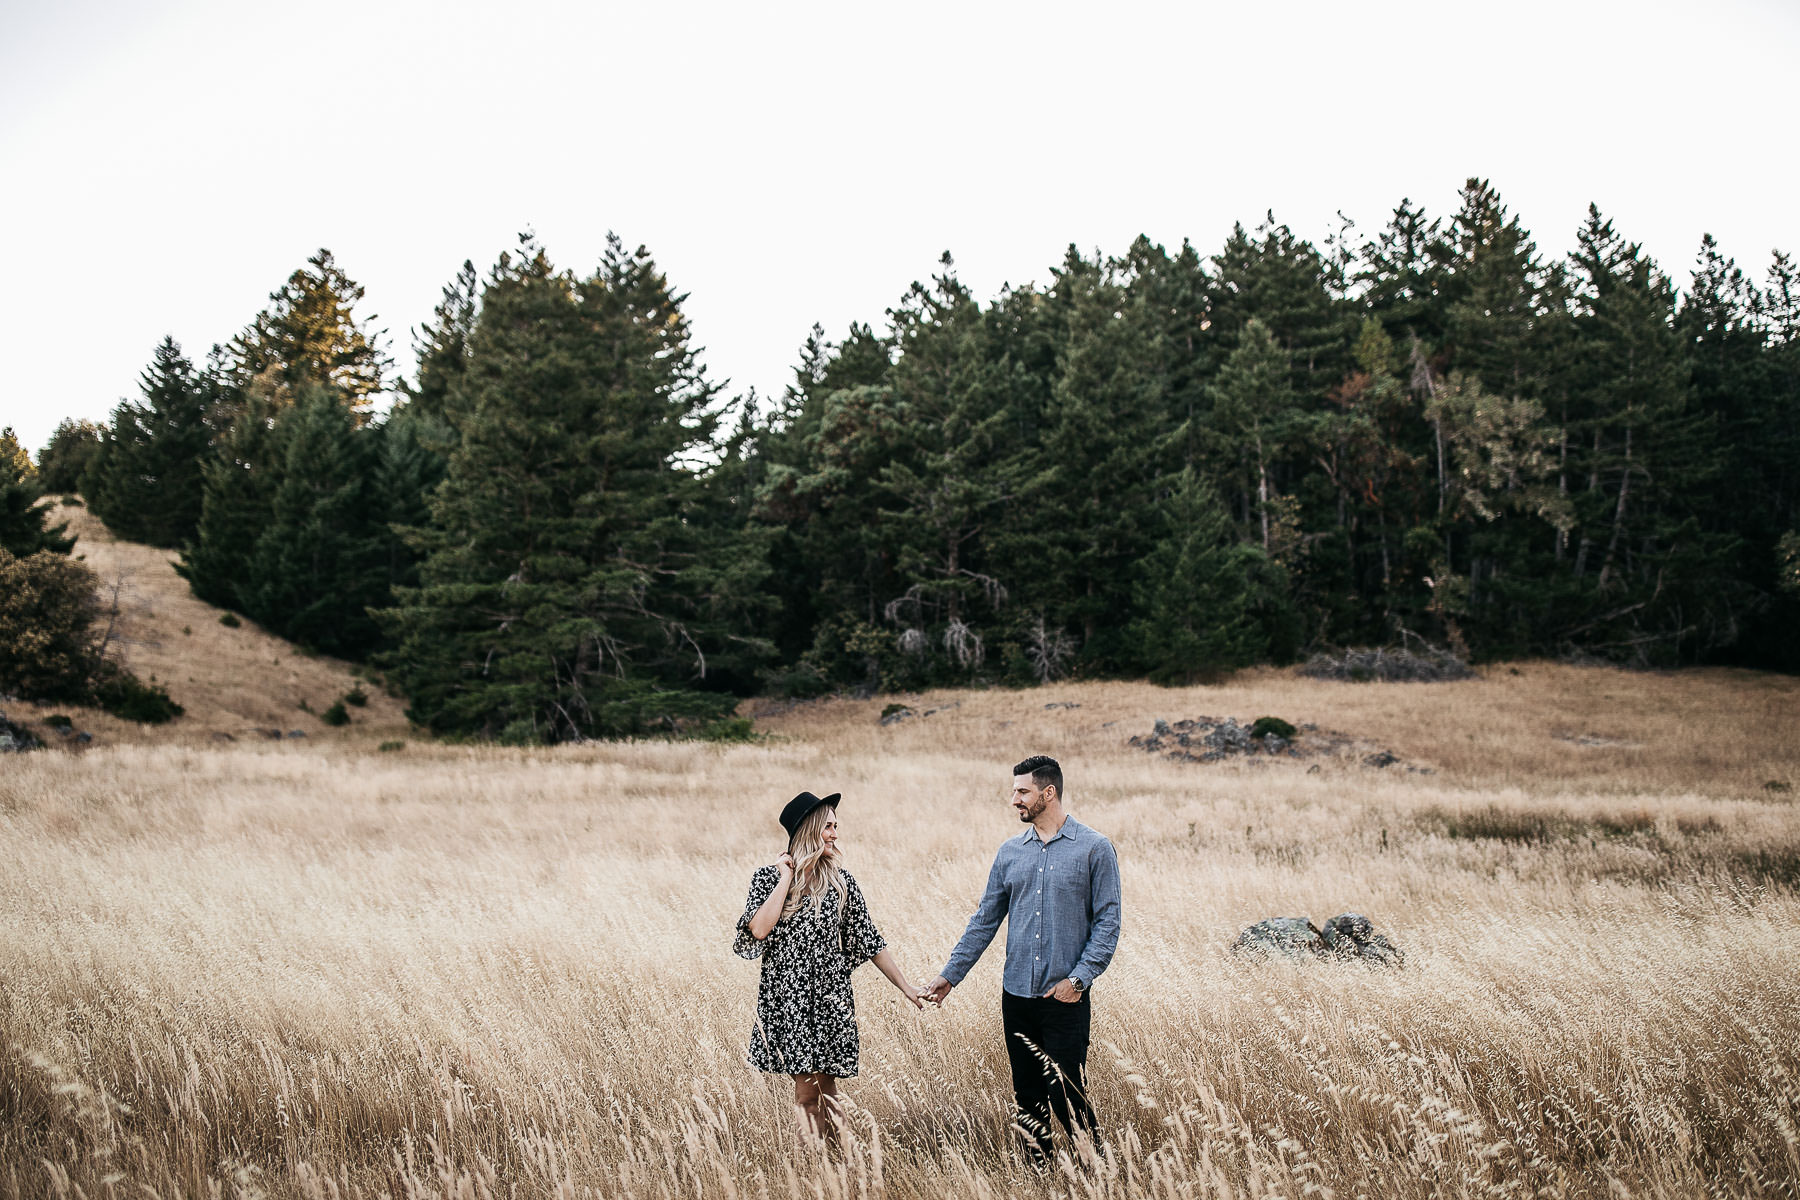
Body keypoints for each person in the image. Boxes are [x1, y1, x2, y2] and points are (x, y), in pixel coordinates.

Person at [923, 755, 1122, 1164]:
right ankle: (1039, 1179)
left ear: (1048, 793)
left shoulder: (1095, 848)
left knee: (1067, 1095)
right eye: (1014, 791)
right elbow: (985, 920)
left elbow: (1108, 924)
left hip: (1065, 998)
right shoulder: (1010, 853)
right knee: (1028, 1098)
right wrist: (950, 975)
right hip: (1016, 996)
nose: (1014, 799)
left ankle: (1097, 1176)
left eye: (1022, 791)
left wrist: (1079, 981)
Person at [735, 791, 924, 1145]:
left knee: (827, 1089)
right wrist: (784, 877)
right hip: (789, 1001)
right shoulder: (766, 879)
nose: (835, 834)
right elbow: (759, 930)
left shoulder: (840, 882)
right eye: (828, 827)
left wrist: (907, 987)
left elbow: (870, 941)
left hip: (829, 1000)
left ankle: (840, 1163)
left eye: (836, 826)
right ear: (808, 830)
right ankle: (814, 1169)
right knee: (807, 1094)